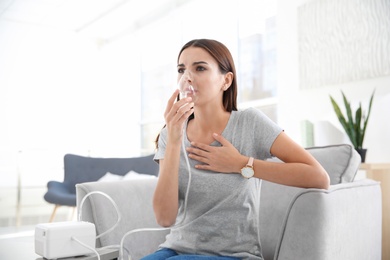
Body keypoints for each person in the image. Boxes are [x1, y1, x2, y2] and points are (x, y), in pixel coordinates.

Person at [143, 39, 330, 260]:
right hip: (174, 250)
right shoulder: (170, 134)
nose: (187, 78)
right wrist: (174, 141)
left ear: (226, 80)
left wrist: (241, 164)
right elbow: (164, 218)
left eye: (200, 68)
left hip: (234, 255)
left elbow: (319, 177)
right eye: (181, 70)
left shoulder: (249, 123)